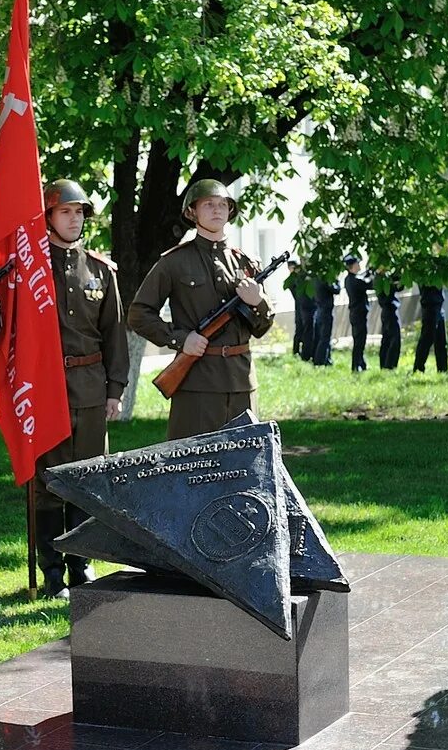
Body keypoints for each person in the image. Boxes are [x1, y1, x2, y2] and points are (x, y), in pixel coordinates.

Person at [31, 180, 127, 599]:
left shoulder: (100, 270)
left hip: (89, 388)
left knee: (87, 479)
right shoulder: (31, 268)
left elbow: (114, 335)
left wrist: (115, 389)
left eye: (80, 212)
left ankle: (81, 566)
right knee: (50, 481)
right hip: (46, 387)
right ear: (49, 217)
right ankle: (52, 569)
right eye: (66, 211)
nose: (74, 219)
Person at [129, 179, 272, 440]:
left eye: (223, 205)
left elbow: (263, 326)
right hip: (197, 384)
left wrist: (257, 302)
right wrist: (181, 339)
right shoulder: (174, 262)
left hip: (241, 382)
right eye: (208, 204)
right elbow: (139, 314)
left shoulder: (247, 262)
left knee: (246, 467)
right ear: (192, 212)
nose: (217, 210)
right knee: (193, 467)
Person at [342, 255, 370, 372]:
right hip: (359, 314)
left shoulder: (349, 279)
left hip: (355, 313)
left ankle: (361, 364)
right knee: (359, 341)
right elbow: (369, 284)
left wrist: (368, 272)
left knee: (358, 339)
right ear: (351, 267)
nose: (359, 266)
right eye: (357, 264)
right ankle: (355, 366)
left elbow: (362, 278)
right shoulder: (356, 281)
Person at [413, 282, 448, 374]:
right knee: (427, 338)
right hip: (429, 304)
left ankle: (443, 370)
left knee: (441, 341)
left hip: (438, 304)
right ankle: (418, 368)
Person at [286, 261, 317, 362]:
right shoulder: (293, 280)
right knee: (301, 330)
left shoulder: (298, 278)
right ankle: (298, 352)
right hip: (301, 306)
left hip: (301, 306)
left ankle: (301, 351)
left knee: (303, 330)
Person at [375, 275, 403, 370]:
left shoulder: (382, 278)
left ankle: (384, 365)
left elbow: (399, 287)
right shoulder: (382, 279)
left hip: (387, 310)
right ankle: (389, 365)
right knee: (394, 339)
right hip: (389, 310)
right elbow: (393, 290)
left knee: (387, 339)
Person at [311, 274, 337, 366]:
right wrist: (336, 280)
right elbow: (336, 289)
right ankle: (320, 361)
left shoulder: (315, 279)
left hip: (319, 311)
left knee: (322, 337)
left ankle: (326, 359)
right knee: (325, 338)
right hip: (326, 312)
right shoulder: (325, 280)